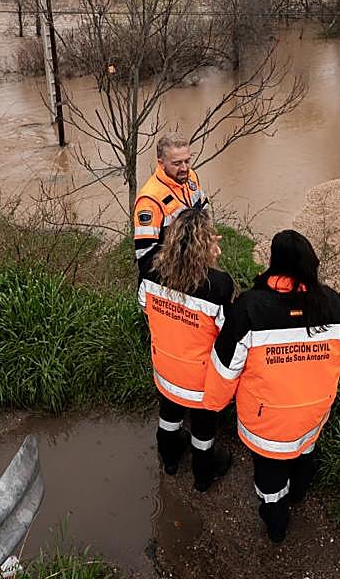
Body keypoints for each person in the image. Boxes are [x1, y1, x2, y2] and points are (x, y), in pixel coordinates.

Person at [203, 230, 340, 543]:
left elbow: (225, 370)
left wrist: (213, 405)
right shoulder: (333, 304)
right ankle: (298, 493)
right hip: (312, 417)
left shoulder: (248, 308)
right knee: (304, 453)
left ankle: (276, 522)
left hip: (266, 424)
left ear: (273, 262)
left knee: (269, 477)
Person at [138, 207, 234, 491]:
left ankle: (169, 460)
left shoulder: (151, 272)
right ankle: (204, 475)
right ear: (207, 244)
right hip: (201, 381)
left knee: (168, 414)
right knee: (204, 428)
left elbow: (146, 309)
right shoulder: (218, 286)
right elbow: (228, 335)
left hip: (165, 369)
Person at [133, 134, 208, 270]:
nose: (184, 168)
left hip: (196, 264)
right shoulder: (150, 199)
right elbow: (145, 258)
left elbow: (204, 211)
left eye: (187, 161)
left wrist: (209, 242)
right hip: (166, 276)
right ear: (161, 163)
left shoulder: (190, 177)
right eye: (177, 163)